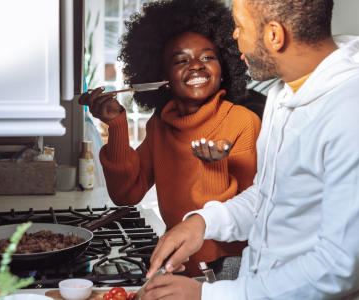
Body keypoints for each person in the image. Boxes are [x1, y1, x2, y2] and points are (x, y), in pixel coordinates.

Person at [143, 0, 359, 299]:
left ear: (274, 35)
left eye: (240, 26)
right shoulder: (286, 94)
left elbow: (339, 267)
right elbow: (270, 195)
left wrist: (208, 295)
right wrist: (204, 222)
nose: (233, 36)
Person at [78, 0, 261, 277]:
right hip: (178, 267)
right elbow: (126, 194)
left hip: (227, 275)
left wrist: (213, 166)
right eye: (181, 60)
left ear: (224, 66)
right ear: (163, 76)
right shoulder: (160, 124)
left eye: (208, 57)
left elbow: (250, 216)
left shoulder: (242, 122)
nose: (197, 66)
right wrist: (116, 125)